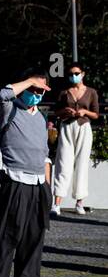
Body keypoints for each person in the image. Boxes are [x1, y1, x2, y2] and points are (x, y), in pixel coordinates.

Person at [0, 69, 54, 277]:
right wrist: (31, 80)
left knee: (34, 238)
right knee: (9, 236)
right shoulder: (10, 108)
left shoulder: (41, 118)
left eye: (41, 90)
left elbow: (44, 154)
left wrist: (48, 186)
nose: (37, 93)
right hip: (15, 180)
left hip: (37, 183)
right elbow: (2, 94)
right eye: (33, 89)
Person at [51, 62, 99, 217]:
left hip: (84, 128)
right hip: (66, 126)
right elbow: (56, 112)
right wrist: (65, 111)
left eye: (76, 73)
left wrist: (84, 111)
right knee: (63, 162)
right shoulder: (64, 92)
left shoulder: (91, 92)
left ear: (83, 74)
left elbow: (96, 114)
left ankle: (80, 202)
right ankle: (56, 203)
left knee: (82, 164)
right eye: (71, 74)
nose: (74, 76)